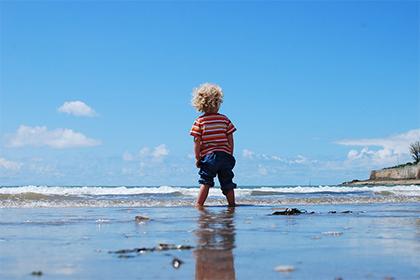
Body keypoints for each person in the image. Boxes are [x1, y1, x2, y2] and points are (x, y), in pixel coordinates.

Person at [190, 83, 237, 207]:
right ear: (218, 102)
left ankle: (199, 205)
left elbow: (197, 141)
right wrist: (230, 153)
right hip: (225, 156)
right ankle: (232, 205)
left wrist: (197, 157)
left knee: (205, 182)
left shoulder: (199, 121)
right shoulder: (224, 119)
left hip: (209, 157)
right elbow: (230, 138)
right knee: (227, 182)